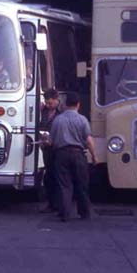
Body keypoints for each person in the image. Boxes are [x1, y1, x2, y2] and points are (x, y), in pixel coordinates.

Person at [48, 91, 99, 222]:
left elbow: (51, 141)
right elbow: (88, 140)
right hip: (78, 154)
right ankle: (84, 213)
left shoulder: (57, 120)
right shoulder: (82, 120)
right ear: (78, 105)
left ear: (65, 104)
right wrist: (94, 156)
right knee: (81, 184)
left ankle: (64, 213)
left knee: (65, 185)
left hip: (61, 155)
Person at [38, 88, 62, 213]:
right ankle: (50, 203)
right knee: (48, 176)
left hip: (58, 148)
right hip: (45, 146)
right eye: (47, 103)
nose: (48, 105)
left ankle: (58, 204)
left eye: (50, 103)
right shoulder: (43, 111)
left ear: (57, 100)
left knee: (57, 176)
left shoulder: (62, 112)